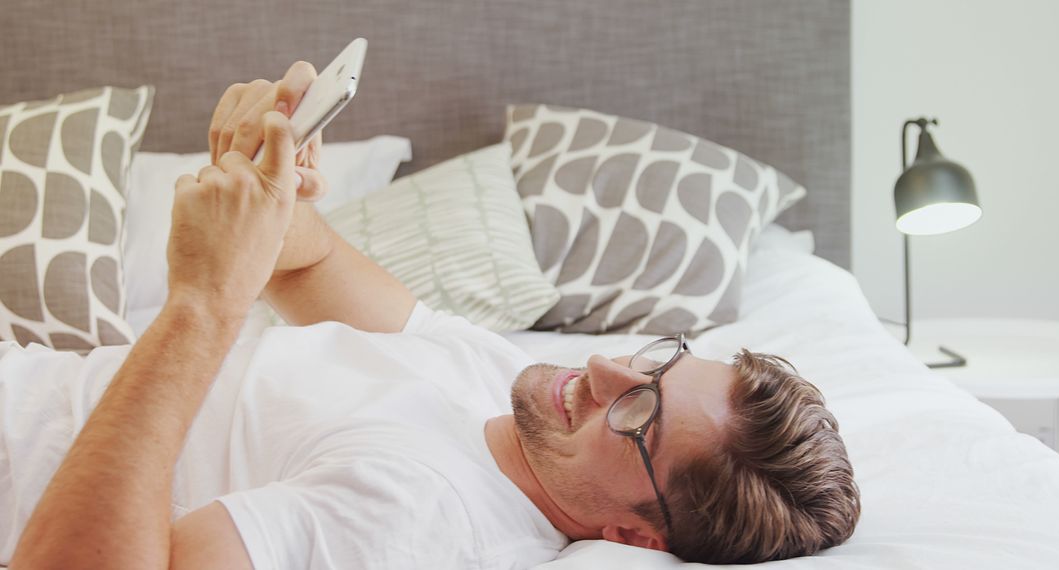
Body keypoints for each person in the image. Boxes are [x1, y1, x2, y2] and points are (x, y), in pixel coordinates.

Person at [1, 62, 860, 569]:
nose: (604, 371)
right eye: (659, 363)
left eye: (639, 411)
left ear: (631, 536)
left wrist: (200, 302)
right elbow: (312, 265)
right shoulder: (516, 396)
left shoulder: (416, 519)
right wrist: (264, 186)